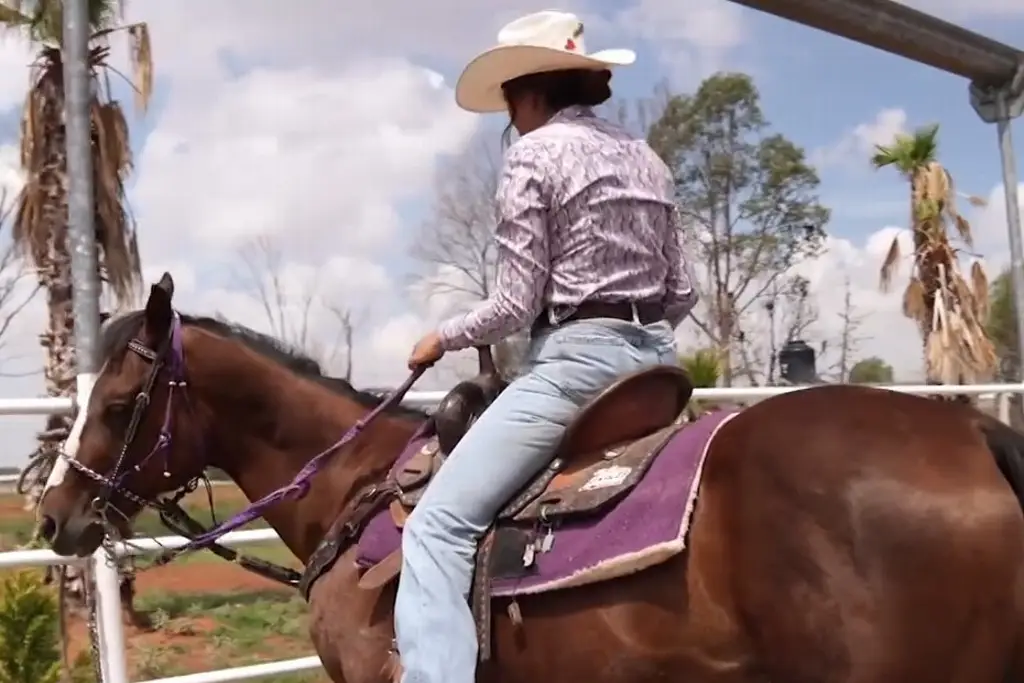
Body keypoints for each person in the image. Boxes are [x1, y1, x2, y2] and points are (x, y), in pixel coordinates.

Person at [396, 10, 698, 683]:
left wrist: (440, 337)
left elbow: (514, 304)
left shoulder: (533, 155)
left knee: (437, 526)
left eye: (510, 104)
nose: (512, 118)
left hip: (576, 368)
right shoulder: (647, 157)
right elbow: (683, 293)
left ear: (529, 92)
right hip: (655, 366)